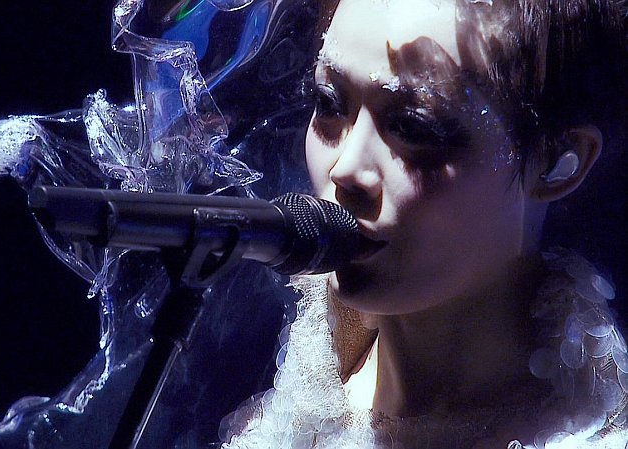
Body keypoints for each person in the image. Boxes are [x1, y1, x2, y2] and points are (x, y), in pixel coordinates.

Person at [221, 0, 628, 447]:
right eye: (329, 102)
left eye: (415, 127)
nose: (346, 169)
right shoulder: (312, 342)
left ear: (557, 161)